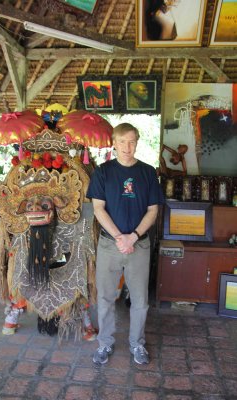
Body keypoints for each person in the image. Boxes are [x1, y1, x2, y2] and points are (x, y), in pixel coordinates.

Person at [86, 123, 164, 365]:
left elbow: (153, 210)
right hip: (110, 245)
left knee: (140, 300)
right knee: (106, 298)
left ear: (137, 142)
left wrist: (133, 236)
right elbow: (98, 209)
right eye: (122, 142)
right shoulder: (103, 172)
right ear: (114, 143)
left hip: (138, 246)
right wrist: (120, 237)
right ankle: (105, 343)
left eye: (131, 141)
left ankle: (137, 344)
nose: (127, 147)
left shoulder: (148, 172)